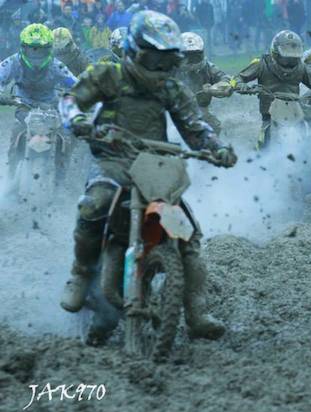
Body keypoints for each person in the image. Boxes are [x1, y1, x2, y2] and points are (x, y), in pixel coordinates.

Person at [58, 11, 237, 344]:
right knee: (92, 206)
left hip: (155, 162)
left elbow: (194, 127)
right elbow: (71, 99)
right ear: (135, 50)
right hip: (112, 158)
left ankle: (197, 313)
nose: (160, 67)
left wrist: (216, 147)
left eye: (167, 60)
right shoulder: (108, 75)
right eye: (154, 58)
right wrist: (77, 120)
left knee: (187, 238)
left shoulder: (171, 88)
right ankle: (81, 274)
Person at [233, 30, 311, 149]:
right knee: (264, 142)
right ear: (275, 52)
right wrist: (240, 85)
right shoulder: (261, 64)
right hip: (271, 114)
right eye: (287, 58)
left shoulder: (301, 67)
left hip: (297, 110)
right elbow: (237, 78)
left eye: (294, 57)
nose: (291, 61)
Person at [0, 23, 77, 178]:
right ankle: (11, 175)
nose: (35, 55)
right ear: (23, 47)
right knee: (16, 134)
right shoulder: (12, 62)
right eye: (32, 49)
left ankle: (61, 180)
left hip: (52, 106)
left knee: (66, 136)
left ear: (49, 49)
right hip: (23, 105)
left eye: (41, 50)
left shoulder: (56, 65)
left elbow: (76, 84)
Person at [176, 32, 231, 135]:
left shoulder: (208, 68)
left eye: (195, 57)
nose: (191, 61)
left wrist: (216, 87)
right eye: (187, 57)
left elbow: (226, 79)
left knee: (213, 126)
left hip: (199, 109)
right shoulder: (171, 69)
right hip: (173, 109)